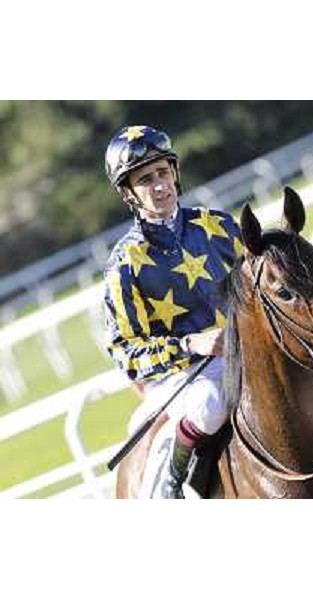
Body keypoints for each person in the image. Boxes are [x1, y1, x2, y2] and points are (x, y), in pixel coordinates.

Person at [103, 125, 244, 498]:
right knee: (211, 405)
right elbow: (125, 355)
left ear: (175, 173)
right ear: (129, 193)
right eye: (145, 179)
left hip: (249, 349)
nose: (159, 185)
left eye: (163, 172)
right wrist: (190, 344)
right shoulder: (125, 264)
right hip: (186, 375)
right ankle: (172, 485)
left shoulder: (216, 224)